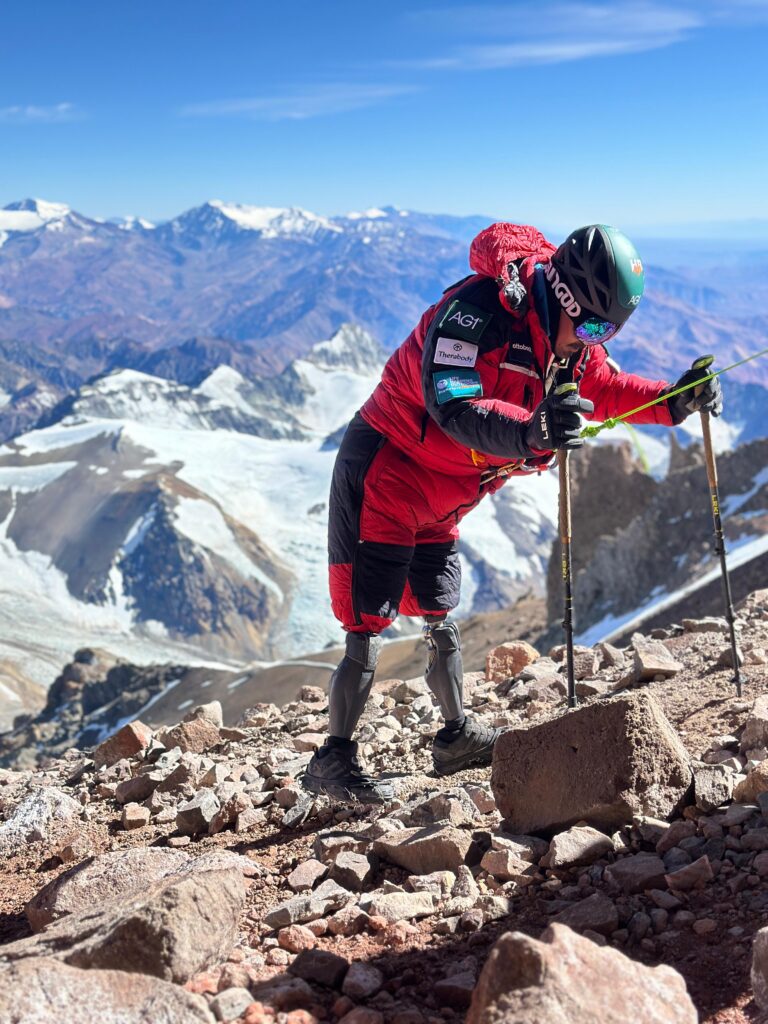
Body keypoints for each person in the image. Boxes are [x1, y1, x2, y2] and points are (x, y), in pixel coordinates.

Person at [300, 222, 723, 803]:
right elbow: (451, 404)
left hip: (445, 494)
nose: (599, 340)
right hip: (387, 474)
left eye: (613, 329)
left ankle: (455, 738)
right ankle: (332, 762)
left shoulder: (571, 347)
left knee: (438, 611)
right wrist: (530, 430)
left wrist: (675, 401)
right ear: (567, 297)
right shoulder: (473, 315)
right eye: (596, 325)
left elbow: (611, 387)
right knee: (366, 620)